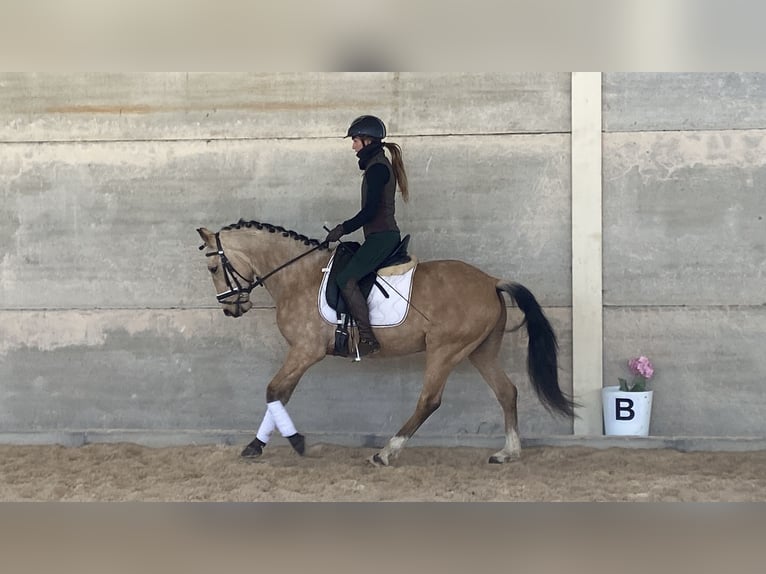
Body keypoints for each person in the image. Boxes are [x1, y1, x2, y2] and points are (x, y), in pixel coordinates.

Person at [324, 115, 409, 356]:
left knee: (346, 279)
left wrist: (343, 228)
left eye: (355, 140)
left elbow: (370, 212)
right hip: (379, 236)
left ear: (367, 141)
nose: (353, 146)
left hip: (382, 237)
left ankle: (367, 338)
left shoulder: (377, 169)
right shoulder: (377, 165)